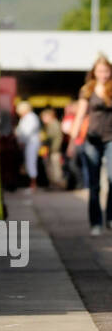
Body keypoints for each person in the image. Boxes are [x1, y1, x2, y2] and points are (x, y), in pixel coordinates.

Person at [68, 55, 112, 235]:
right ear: (94, 72)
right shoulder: (87, 90)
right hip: (92, 139)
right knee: (94, 184)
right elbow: (79, 116)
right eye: (100, 71)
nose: (103, 74)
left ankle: (110, 217)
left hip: (111, 139)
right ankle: (96, 223)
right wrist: (72, 141)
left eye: (106, 71)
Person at [15, 100, 41, 196]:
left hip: (31, 143)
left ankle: (33, 185)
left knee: (31, 163)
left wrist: (20, 140)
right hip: (28, 143)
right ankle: (32, 185)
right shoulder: (25, 118)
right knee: (29, 163)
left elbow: (26, 132)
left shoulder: (31, 118)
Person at [40, 108, 64, 189]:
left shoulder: (54, 124)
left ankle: (58, 186)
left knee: (55, 169)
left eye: (44, 117)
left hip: (54, 150)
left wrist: (44, 140)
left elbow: (56, 138)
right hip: (52, 150)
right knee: (52, 169)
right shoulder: (49, 125)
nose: (43, 119)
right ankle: (53, 185)